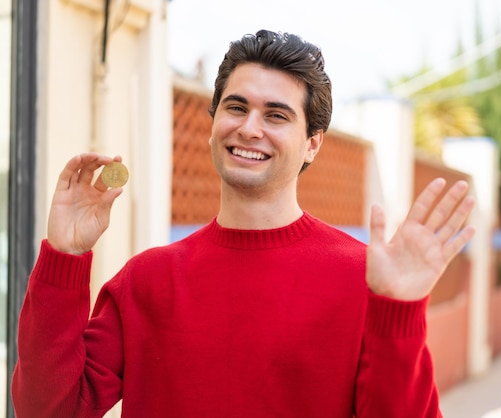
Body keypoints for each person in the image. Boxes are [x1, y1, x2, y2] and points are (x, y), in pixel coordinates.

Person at [12, 30, 475, 417]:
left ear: (312, 144)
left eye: (276, 115)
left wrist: (398, 310)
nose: (250, 128)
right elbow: (47, 410)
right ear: (213, 121)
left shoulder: (365, 279)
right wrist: (65, 256)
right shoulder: (145, 282)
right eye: (236, 107)